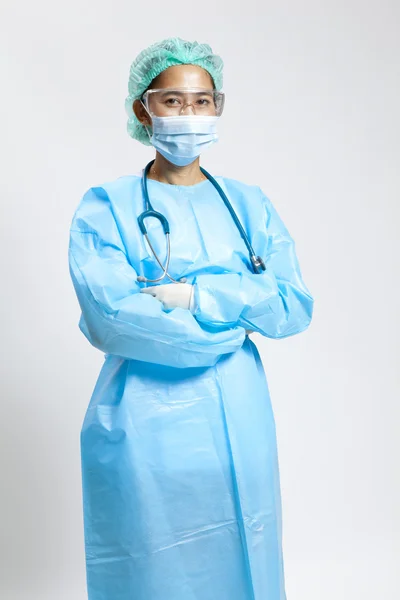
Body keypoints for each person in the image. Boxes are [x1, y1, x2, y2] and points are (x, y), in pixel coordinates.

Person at [68, 37, 314, 600]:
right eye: (173, 101)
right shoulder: (107, 206)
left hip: (239, 412)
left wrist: (197, 298)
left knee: (242, 546)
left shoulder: (248, 204)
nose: (190, 115)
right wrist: (235, 321)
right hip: (143, 420)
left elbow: (292, 305)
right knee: (152, 561)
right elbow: (113, 318)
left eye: (203, 101)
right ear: (143, 109)